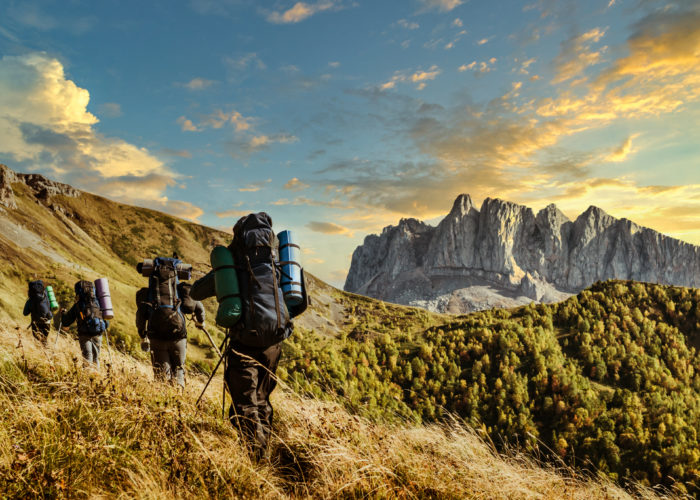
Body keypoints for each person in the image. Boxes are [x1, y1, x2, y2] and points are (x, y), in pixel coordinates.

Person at [191, 212, 308, 461]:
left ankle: (256, 461)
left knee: (245, 404)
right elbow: (299, 302)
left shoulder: (233, 263)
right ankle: (265, 450)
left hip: (244, 343)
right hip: (274, 343)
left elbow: (196, 293)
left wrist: (219, 278)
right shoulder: (279, 263)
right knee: (262, 400)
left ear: (239, 237)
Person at [135, 263, 204, 388]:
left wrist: (142, 334)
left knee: (161, 375)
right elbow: (198, 306)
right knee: (179, 370)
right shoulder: (181, 291)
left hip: (157, 338)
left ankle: (163, 400)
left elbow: (140, 316)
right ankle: (179, 398)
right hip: (178, 336)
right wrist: (200, 322)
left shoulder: (148, 293)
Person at [56, 280, 108, 368]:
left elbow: (66, 321)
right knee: (96, 358)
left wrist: (63, 314)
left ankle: (88, 377)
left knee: (87, 356)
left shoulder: (78, 305)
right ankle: (97, 377)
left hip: (84, 334)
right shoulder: (98, 302)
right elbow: (106, 321)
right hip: (98, 333)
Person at [23, 280, 53, 344]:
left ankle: (40, 353)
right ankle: (47, 352)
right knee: (44, 340)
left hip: (35, 322)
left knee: (37, 342)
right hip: (47, 322)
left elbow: (25, 313)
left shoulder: (30, 300)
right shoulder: (46, 295)